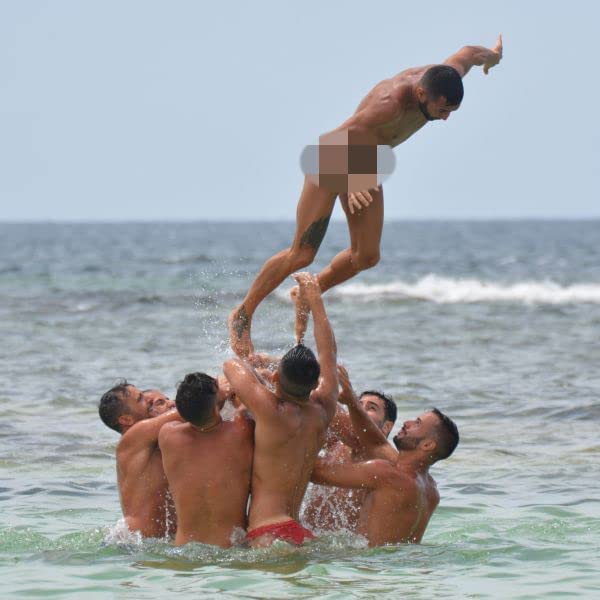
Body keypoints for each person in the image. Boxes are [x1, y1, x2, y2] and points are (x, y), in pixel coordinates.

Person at [229, 36, 503, 356]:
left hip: (366, 160)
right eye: (442, 110)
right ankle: (241, 315)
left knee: (367, 256)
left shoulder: (446, 76)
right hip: (334, 155)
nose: (445, 118)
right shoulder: (389, 103)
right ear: (421, 94)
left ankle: (309, 292)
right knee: (301, 254)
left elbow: (468, 53)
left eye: (451, 111)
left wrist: (492, 57)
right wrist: (352, 180)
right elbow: (339, 139)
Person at [223, 272, 338, 546]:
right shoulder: (324, 409)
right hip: (299, 530)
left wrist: (259, 367)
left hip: (267, 532)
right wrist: (316, 301)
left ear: (276, 378)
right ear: (315, 383)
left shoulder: (270, 410)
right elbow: (329, 354)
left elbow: (231, 366)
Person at [312, 387, 459, 546]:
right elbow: (377, 442)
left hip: (364, 565)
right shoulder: (431, 492)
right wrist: (350, 402)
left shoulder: (386, 474)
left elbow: (317, 472)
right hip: (396, 566)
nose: (406, 423)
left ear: (427, 444)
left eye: (417, 423)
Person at [158, 372, 254, 548]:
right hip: (231, 548)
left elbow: (193, 411)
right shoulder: (241, 431)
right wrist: (227, 392)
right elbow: (247, 397)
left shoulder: (167, 435)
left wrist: (217, 396)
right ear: (217, 408)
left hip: (184, 549)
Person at [304, 365, 397, 532]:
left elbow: (324, 403)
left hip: (344, 553)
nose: (360, 409)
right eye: (358, 404)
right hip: (309, 536)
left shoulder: (384, 463)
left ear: (387, 427)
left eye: (371, 408)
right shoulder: (335, 442)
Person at [98, 382, 180, 538]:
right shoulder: (135, 434)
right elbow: (189, 410)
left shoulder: (153, 441)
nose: (148, 400)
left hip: (148, 542)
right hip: (135, 542)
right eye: (140, 398)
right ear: (126, 419)